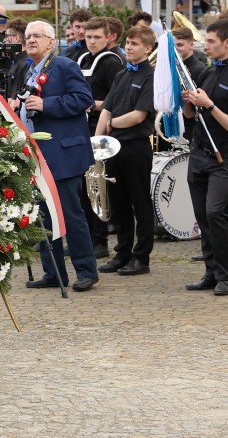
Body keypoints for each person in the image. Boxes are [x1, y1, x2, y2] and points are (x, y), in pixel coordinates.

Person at [15, 20, 99, 292]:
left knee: (71, 214)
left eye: (37, 36)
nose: (30, 40)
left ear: (52, 42)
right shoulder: (29, 70)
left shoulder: (64, 66)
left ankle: (86, 270)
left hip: (64, 154)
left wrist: (46, 104)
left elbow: (83, 99)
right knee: (42, 215)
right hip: (37, 155)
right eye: (28, 36)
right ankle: (53, 272)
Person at [95, 25, 156, 276]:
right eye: (128, 43)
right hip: (113, 147)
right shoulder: (122, 74)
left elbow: (138, 116)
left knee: (139, 202)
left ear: (148, 48)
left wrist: (112, 124)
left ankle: (141, 257)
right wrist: (96, 144)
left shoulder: (151, 76)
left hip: (135, 147)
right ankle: (122, 253)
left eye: (135, 44)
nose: (129, 47)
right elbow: (106, 109)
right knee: (117, 202)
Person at [183, 19, 228, 296]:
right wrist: (188, 102)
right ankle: (211, 272)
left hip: (223, 158)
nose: (205, 46)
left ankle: (225, 274)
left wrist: (208, 104)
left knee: (216, 212)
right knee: (203, 216)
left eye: (211, 41)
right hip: (198, 153)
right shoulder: (209, 73)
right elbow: (191, 116)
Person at [78, 17, 124, 259]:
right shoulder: (83, 58)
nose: (92, 41)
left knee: (99, 188)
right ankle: (86, 239)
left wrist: (90, 104)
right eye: (89, 37)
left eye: (97, 37)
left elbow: (118, 99)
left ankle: (100, 241)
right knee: (84, 190)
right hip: (81, 128)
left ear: (108, 38)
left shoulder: (111, 62)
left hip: (101, 129)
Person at [172, 26, 206, 143]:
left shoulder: (199, 69)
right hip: (172, 125)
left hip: (189, 129)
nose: (175, 49)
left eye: (180, 45)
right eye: (173, 45)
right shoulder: (172, 66)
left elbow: (195, 111)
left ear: (191, 45)